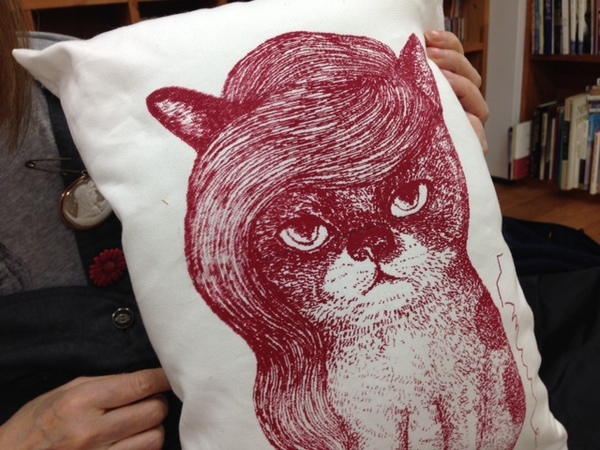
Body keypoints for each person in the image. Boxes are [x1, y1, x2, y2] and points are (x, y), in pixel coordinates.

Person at [0, 0, 490, 448]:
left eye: (406, 197)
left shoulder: (88, 75)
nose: (368, 245)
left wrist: (457, 143)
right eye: (307, 232)